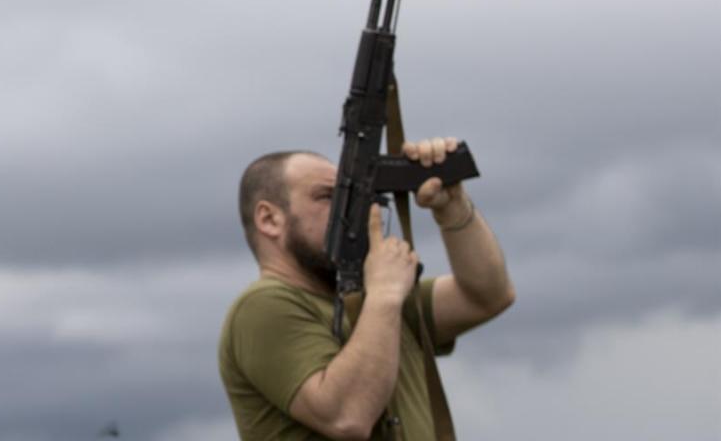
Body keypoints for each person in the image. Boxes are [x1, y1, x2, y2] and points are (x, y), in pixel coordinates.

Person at [218, 141, 515, 440]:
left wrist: (452, 205)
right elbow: (346, 416)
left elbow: (486, 295)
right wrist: (385, 294)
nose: (351, 211)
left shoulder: (370, 305)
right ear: (269, 219)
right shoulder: (262, 306)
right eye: (327, 197)